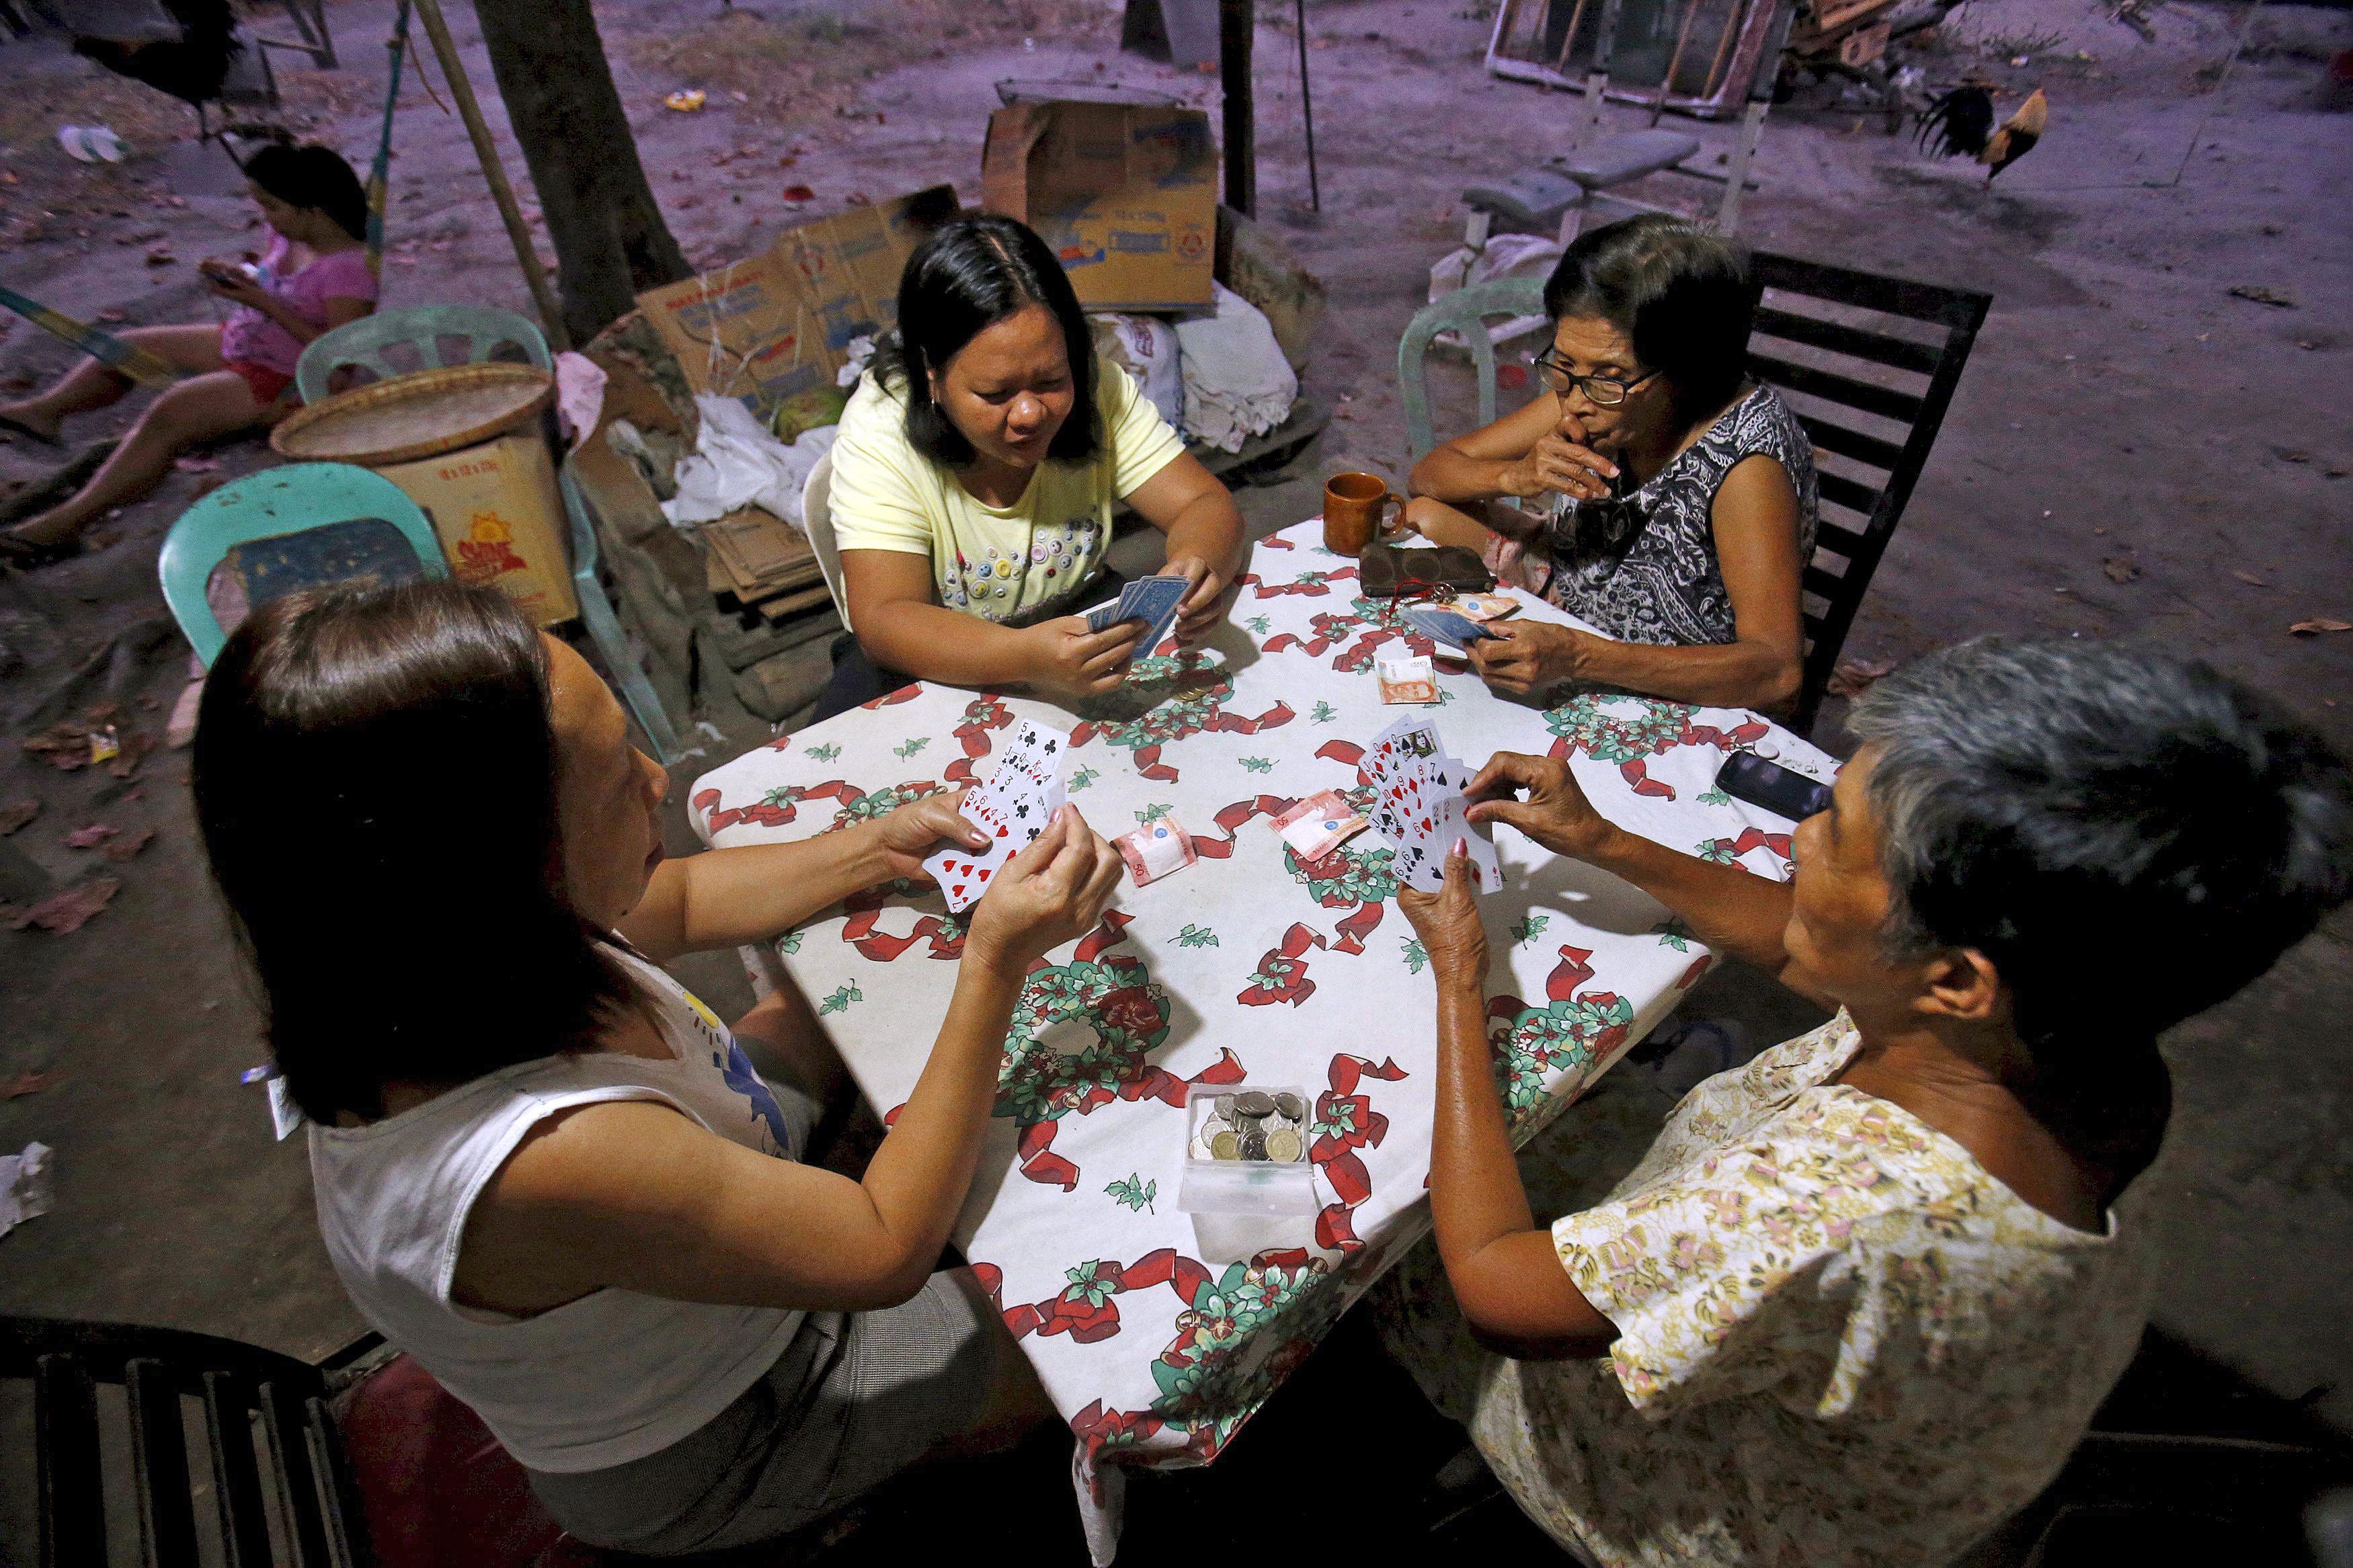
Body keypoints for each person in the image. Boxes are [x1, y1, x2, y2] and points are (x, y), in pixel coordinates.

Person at [192, 580, 1126, 1554]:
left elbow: (673, 900)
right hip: (741, 1418)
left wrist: (874, 849)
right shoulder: (548, 1155)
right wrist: (995, 965)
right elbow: (883, 1246)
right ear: (490, 870)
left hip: (696, 1175)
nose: (658, 779)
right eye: (610, 783)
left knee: (838, 998)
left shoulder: (417, 954)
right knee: (1088, 1319)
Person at [1380, 637, 2353, 1567]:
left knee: (1380, 1231)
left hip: (1693, 1509)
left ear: (1958, 979)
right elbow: (1806, 946)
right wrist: (1606, 842)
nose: (1799, 838)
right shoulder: (2079, 1038)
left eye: (1836, 833)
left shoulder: (1838, 1206)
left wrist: (1463, 971)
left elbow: (1500, 1295)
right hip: (1880, 1414)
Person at [820, 214, 1245, 717]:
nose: (1029, 414)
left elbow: (1204, 503)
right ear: (931, 377)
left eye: (1050, 381)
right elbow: (885, 619)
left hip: (1075, 613)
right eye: (995, 393)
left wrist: (1197, 567)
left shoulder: (1097, 388)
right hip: (934, 660)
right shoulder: (880, 429)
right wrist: (1024, 656)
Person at [1402, 215, 1816, 714]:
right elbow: (1429, 475)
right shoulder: (1593, 392)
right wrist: (1515, 476)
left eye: (1608, 376)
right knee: (1422, 518)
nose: (1573, 401)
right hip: (1576, 599)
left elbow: (1778, 672)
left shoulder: (1746, 464)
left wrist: (1577, 654)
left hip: (1667, 678)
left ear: (1683, 372)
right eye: (1566, 366)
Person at [0, 141, 376, 567]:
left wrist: (266, 304)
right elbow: (275, 281)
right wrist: (241, 276)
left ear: (314, 209)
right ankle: (45, 413)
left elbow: (338, 356)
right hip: (252, 341)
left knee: (172, 413)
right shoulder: (291, 234)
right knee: (129, 348)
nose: (264, 217)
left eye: (272, 206)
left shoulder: (348, 271)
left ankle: (68, 523)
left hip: (296, 378)